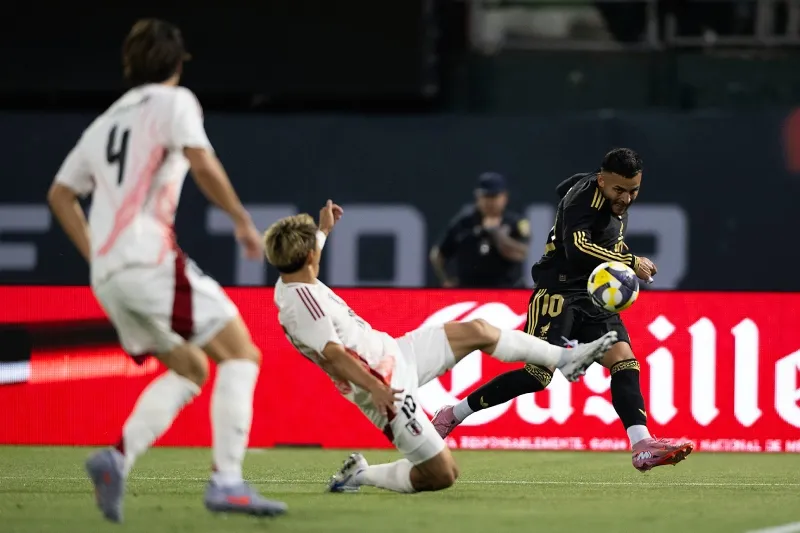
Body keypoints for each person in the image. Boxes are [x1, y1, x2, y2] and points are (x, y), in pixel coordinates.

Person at [46, 19, 286, 522]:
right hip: (148, 259)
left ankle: (116, 459)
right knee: (241, 353)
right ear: (179, 63)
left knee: (192, 367)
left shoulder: (103, 124)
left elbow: (60, 195)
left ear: (130, 65)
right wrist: (242, 221)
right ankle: (227, 482)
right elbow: (201, 161)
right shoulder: (176, 102)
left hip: (109, 276)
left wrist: (96, 255)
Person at [264, 200, 618, 495]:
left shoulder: (292, 277)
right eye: (315, 247)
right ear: (308, 256)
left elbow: (309, 254)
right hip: (385, 387)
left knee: (477, 330)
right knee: (442, 475)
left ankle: (564, 358)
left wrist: (324, 230)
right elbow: (333, 355)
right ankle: (360, 475)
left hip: (396, 352)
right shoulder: (303, 302)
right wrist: (375, 388)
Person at [432, 148, 694, 472]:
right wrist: (629, 261)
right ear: (602, 180)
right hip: (558, 291)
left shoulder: (605, 196)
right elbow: (577, 248)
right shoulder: (583, 198)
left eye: (633, 190)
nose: (626, 198)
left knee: (625, 361)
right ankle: (452, 414)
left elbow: (572, 197)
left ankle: (642, 446)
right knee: (537, 376)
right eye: (619, 190)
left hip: (593, 295)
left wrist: (621, 254)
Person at [430, 172, 530, 288]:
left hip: (506, 291)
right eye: (486, 197)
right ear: (477, 197)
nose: (490, 202)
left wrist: (497, 234)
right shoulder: (464, 222)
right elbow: (438, 255)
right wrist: (446, 279)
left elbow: (521, 253)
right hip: (470, 291)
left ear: (504, 197)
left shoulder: (515, 222)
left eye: (494, 196)